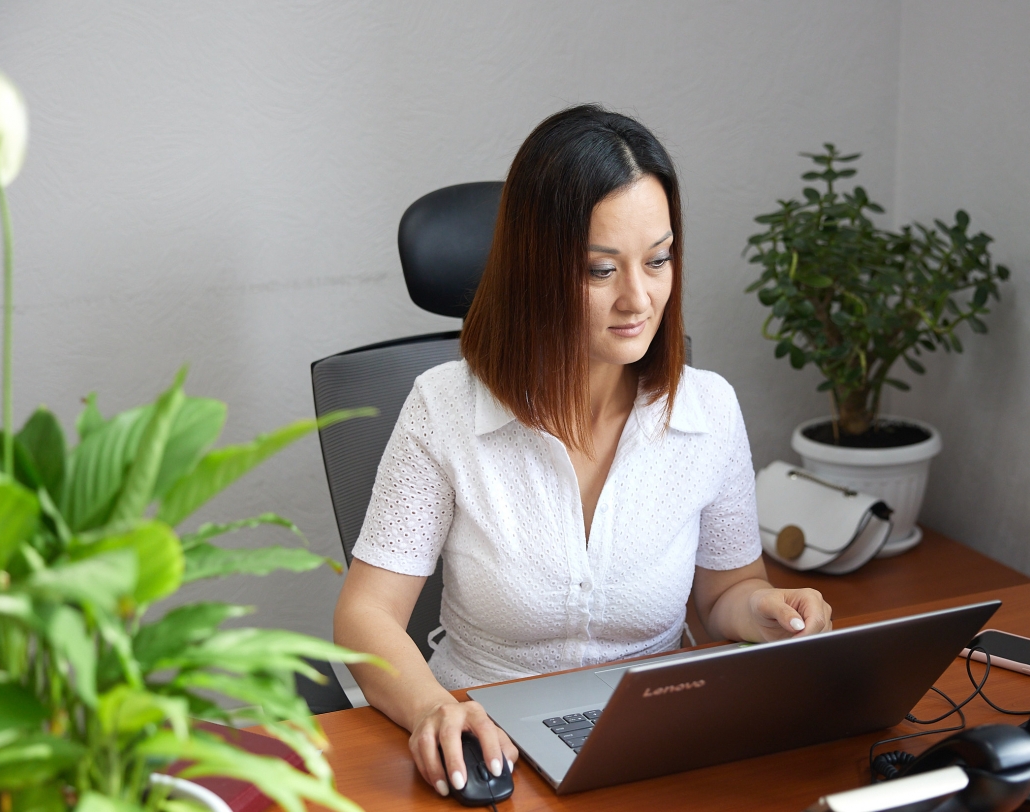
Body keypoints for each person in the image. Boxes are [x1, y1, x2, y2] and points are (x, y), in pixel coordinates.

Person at [333, 104, 832, 798]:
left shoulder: (708, 410)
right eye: (602, 270)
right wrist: (435, 709)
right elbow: (365, 615)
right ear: (535, 271)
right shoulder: (442, 410)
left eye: (657, 260)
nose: (639, 298)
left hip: (654, 742)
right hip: (489, 745)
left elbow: (725, 593)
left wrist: (767, 611)